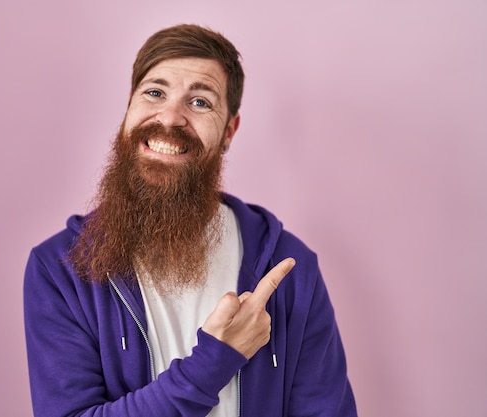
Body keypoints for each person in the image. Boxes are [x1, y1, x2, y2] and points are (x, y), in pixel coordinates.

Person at [23, 24, 358, 417]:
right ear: (128, 108)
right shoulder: (60, 268)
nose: (170, 117)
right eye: (154, 93)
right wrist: (213, 362)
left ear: (229, 131)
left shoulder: (288, 266)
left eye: (200, 102)